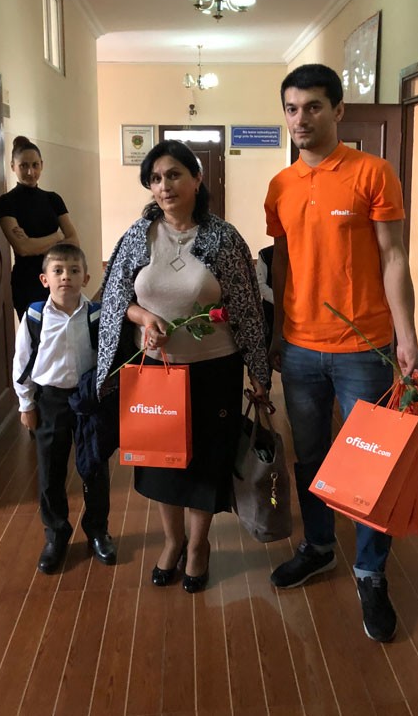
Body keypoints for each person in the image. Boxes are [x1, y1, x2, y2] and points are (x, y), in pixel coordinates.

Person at [265, 63, 418, 642]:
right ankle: (318, 546)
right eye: (291, 108)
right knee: (310, 458)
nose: (300, 119)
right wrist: (277, 332)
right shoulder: (281, 185)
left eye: (312, 106)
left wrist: (407, 338)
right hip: (300, 348)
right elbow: (280, 263)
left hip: (365, 347)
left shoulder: (372, 173)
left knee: (370, 465)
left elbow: (394, 257)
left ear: (338, 110)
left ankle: (371, 572)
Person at [96, 140, 270, 593]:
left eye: (174, 174)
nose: (164, 186)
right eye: (155, 178)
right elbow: (115, 298)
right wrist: (143, 317)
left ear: (196, 178)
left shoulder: (223, 238)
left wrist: (259, 372)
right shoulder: (138, 236)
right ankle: (172, 541)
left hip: (214, 369)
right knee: (160, 464)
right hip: (156, 371)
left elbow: (247, 309)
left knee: (205, 461)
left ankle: (197, 546)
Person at [13, 243, 116, 574]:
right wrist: (26, 404)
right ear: (45, 279)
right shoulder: (35, 317)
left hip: (87, 400)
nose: (65, 277)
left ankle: (97, 530)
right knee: (51, 470)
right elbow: (22, 363)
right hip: (51, 401)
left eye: (73, 271)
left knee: (94, 467)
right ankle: (56, 533)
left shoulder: (96, 314)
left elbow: (106, 357)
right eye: (57, 271)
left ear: (86, 278)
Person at [0, 135, 80, 319]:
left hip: (58, 279)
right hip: (27, 282)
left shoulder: (53, 199)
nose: (30, 172)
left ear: (42, 165)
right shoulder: (7, 202)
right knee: (33, 334)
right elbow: (23, 248)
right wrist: (58, 237)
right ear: (12, 166)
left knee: (61, 331)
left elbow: (74, 241)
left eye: (35, 165)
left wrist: (34, 243)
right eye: (23, 166)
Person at [255, 244, 274, 347]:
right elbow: (261, 284)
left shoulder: (300, 252)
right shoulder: (265, 254)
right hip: (271, 309)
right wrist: (280, 301)